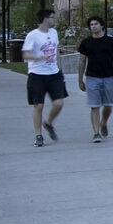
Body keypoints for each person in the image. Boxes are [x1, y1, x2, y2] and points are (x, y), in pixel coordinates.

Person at [75, 15, 113, 143]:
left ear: (102, 25)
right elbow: (81, 62)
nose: (93, 26)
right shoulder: (86, 43)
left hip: (108, 77)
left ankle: (103, 122)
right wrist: (80, 79)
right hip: (92, 77)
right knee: (94, 106)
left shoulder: (111, 41)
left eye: (95, 24)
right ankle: (96, 133)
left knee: (108, 105)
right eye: (91, 25)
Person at [22, 9, 67, 147]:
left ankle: (48, 124)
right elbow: (25, 55)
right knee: (39, 106)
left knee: (59, 103)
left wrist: (60, 68)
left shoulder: (53, 33)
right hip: (37, 74)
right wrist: (40, 57)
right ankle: (38, 135)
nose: (55, 20)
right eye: (53, 18)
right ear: (46, 19)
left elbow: (56, 50)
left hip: (54, 73)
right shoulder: (33, 35)